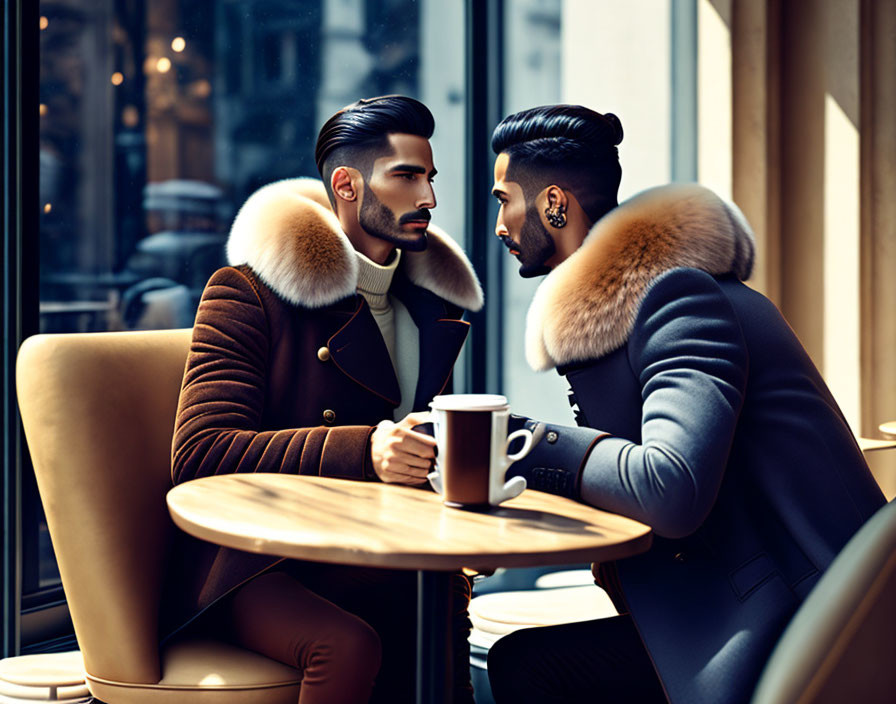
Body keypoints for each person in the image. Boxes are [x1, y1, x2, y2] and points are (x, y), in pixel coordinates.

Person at [484, 104, 885, 704]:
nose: (499, 225)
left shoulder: (680, 299)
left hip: (800, 629)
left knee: (529, 670)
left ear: (554, 204)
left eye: (503, 199)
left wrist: (522, 440)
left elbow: (671, 489)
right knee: (523, 663)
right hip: (737, 605)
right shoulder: (637, 308)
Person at [165, 95, 483, 704]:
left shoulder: (429, 307)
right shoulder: (247, 292)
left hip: (378, 547)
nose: (429, 200)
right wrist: (364, 449)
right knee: (349, 643)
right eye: (407, 177)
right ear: (346, 184)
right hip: (260, 562)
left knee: (444, 600)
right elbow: (201, 453)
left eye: (430, 178)